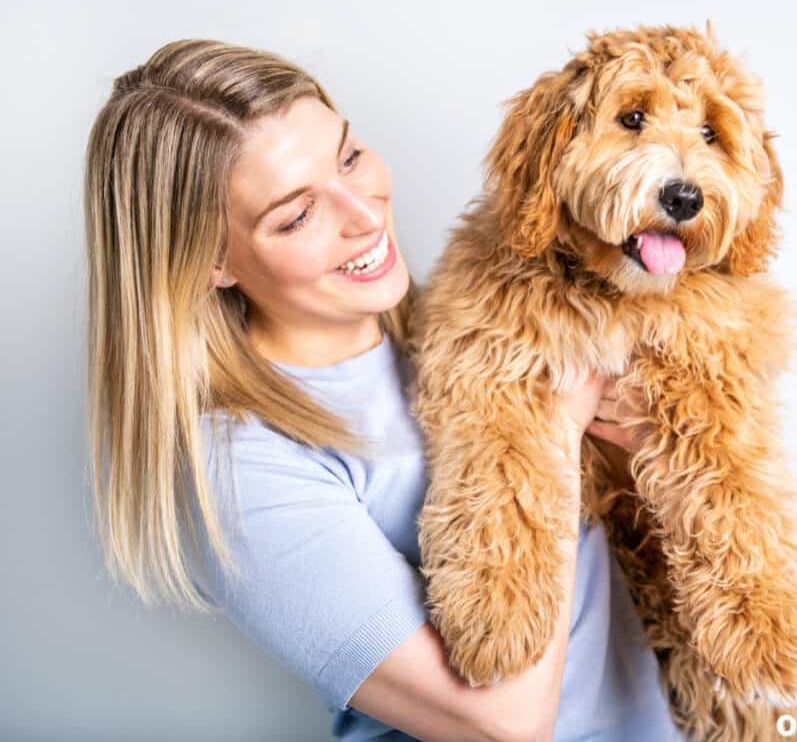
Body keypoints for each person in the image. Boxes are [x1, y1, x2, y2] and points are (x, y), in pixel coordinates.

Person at [84, 38, 683, 741]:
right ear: (211, 260)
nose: (365, 214)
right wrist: (551, 431)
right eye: (297, 214)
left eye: (348, 157)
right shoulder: (239, 473)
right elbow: (503, 726)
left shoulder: (456, 330)